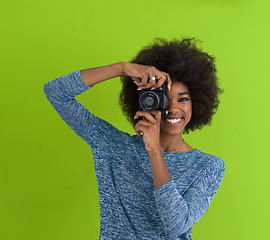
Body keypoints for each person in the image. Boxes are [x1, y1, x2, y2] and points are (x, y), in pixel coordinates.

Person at [43, 37, 225, 240]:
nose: (173, 108)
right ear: (146, 101)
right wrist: (122, 69)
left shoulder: (208, 166)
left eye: (183, 99)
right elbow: (55, 92)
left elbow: (176, 224)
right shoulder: (113, 146)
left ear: (197, 103)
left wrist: (154, 151)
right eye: (164, 99)